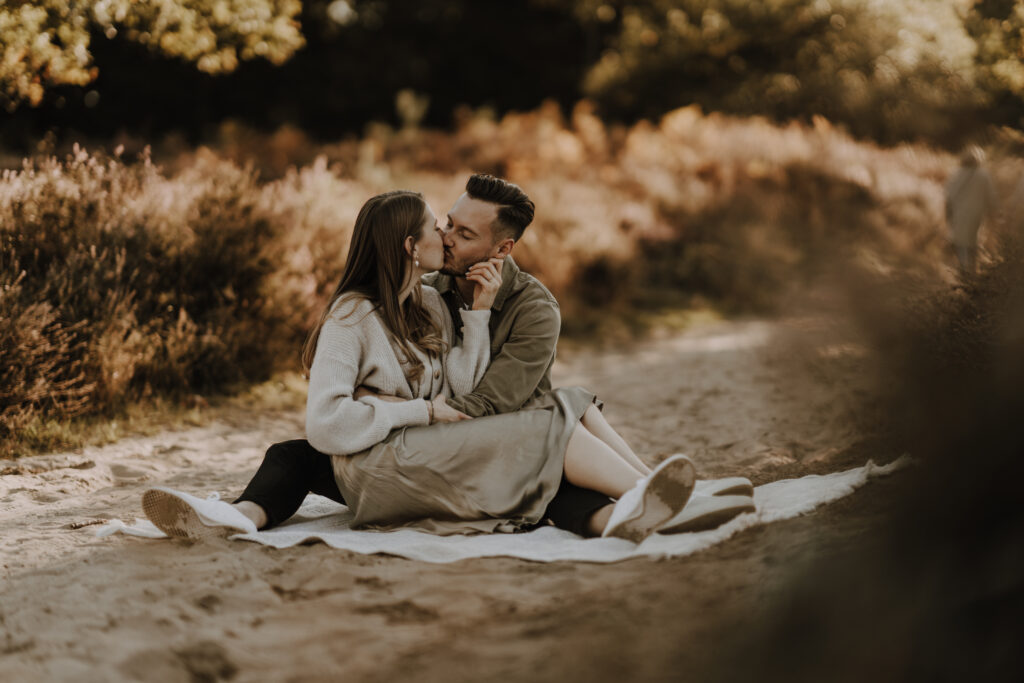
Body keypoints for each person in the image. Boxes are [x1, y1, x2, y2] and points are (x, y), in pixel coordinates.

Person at [142, 188, 734, 543]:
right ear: (408, 245)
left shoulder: (428, 301)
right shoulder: (352, 316)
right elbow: (324, 426)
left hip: (420, 458)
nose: (445, 235)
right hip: (374, 467)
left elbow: (462, 389)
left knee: (553, 422)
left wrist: (475, 316)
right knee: (544, 425)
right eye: (437, 227)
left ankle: (622, 517)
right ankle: (654, 494)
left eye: (451, 228)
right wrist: (416, 410)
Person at [945, 145, 997, 274]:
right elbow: (991, 196)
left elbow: (948, 197)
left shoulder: (956, 173)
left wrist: (947, 215)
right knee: (973, 242)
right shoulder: (983, 174)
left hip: (959, 215)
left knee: (960, 242)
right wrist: (994, 213)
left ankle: (963, 271)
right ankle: (973, 272)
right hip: (976, 215)